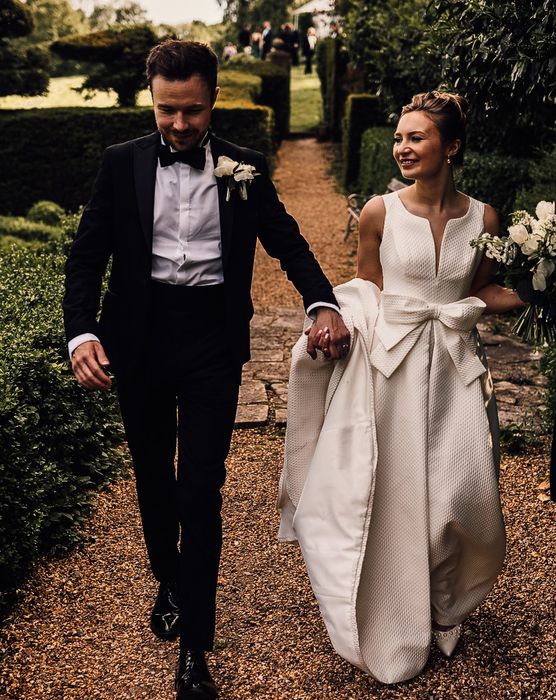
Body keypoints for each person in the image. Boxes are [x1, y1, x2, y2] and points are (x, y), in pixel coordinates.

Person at [63, 39, 350, 700]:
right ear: (153, 102)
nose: (181, 125)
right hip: (135, 343)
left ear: (212, 100)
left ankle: (195, 645)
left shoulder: (239, 167)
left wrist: (322, 301)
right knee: (155, 487)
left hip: (210, 349)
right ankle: (168, 573)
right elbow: (87, 258)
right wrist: (81, 333)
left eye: (191, 111)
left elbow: (284, 238)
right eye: (168, 111)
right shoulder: (122, 164)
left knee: (200, 491)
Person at [278, 91, 527, 683]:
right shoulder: (379, 212)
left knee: (465, 490)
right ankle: (400, 613)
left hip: (457, 368)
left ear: (452, 147)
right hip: (392, 368)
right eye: (398, 137)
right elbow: (366, 290)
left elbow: (485, 292)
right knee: (392, 494)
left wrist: (546, 294)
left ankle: (448, 598)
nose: (402, 147)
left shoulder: (484, 218)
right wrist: (333, 339)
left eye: (416, 137)